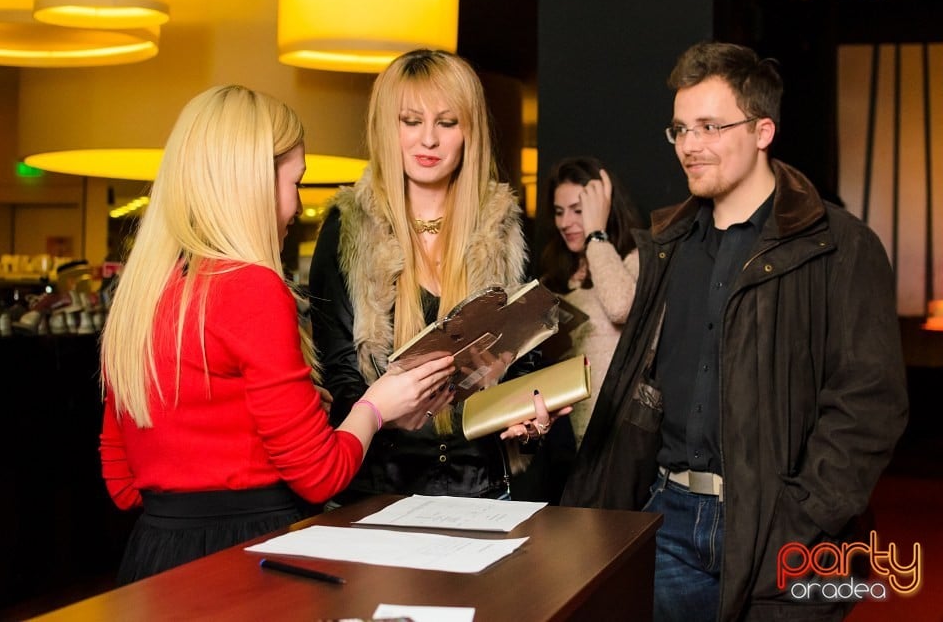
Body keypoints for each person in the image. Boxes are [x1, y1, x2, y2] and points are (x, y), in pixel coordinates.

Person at [561, 42, 908, 621]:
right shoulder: (667, 247)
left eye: (710, 127)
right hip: (669, 519)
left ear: (762, 130)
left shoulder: (841, 246)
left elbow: (869, 405)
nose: (689, 145)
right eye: (680, 129)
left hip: (785, 533)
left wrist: (803, 517)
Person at [99, 84, 461, 584]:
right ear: (255, 184)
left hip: (154, 558)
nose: (297, 206)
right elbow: (320, 476)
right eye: (296, 183)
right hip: (247, 560)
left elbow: (122, 482)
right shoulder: (251, 287)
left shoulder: (143, 291)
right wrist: (376, 406)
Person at [309, 49, 568, 504]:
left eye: (447, 123)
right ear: (386, 127)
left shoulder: (501, 224)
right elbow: (339, 376)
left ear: (470, 132)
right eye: (411, 121)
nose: (428, 139)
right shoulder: (347, 227)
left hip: (482, 489)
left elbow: (523, 360)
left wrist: (527, 415)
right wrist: (388, 407)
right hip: (378, 493)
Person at [538, 157, 642, 449]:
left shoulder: (634, 261)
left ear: (604, 208)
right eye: (559, 212)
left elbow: (620, 307)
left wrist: (596, 234)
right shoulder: (553, 278)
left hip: (618, 439)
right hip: (564, 440)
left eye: (578, 210)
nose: (565, 223)